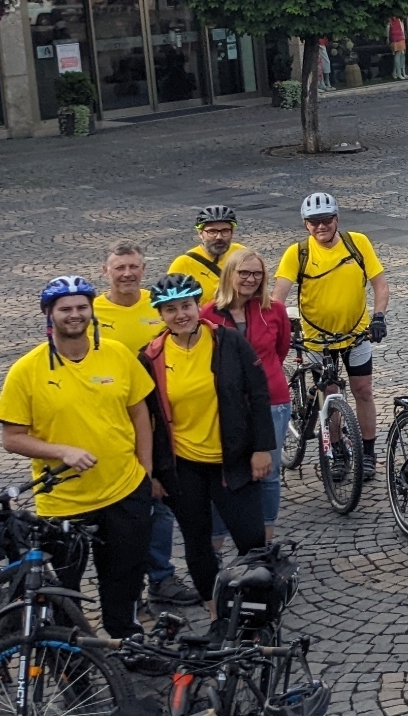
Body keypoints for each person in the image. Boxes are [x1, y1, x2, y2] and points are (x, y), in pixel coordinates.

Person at [0, 276, 157, 639]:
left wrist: (145, 469)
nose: (75, 314)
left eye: (82, 307)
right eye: (65, 309)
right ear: (49, 315)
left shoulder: (116, 353)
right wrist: (61, 451)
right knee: (63, 590)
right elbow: (12, 438)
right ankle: (73, 658)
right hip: (64, 502)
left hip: (124, 489)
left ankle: (125, 639)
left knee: (125, 577)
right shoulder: (26, 370)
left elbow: (139, 412)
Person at [140, 273, 273, 609]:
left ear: (199, 306)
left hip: (233, 459)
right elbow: (147, 420)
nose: (180, 314)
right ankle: (215, 610)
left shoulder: (228, 341)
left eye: (186, 305)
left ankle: (257, 609)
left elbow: (258, 393)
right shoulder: (151, 356)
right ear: (160, 315)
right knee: (197, 543)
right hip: (183, 466)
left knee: (251, 539)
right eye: (170, 309)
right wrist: (152, 473)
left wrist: (261, 448)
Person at [90, 242, 190, 605]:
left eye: (133, 266)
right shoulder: (91, 312)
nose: (127, 274)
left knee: (158, 499)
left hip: (158, 420)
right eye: (119, 268)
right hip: (110, 423)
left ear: (144, 269)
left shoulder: (158, 304)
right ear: (106, 272)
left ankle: (161, 578)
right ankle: (121, 581)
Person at [269, 192, 388, 481]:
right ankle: (336, 452)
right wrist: (273, 327)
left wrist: (379, 317)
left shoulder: (356, 243)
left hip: (356, 334)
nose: (320, 227)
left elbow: (380, 285)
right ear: (305, 225)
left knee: (363, 391)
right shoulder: (298, 253)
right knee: (330, 396)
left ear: (336, 219)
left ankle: (369, 454)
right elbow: (278, 295)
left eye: (325, 220)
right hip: (317, 339)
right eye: (313, 222)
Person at [203, 245, 293, 539]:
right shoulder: (208, 313)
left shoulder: (275, 310)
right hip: (225, 405)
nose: (251, 279)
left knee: (268, 473)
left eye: (257, 274)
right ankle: (218, 537)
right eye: (244, 272)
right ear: (230, 274)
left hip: (272, 401)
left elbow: (280, 351)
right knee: (224, 472)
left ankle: (266, 537)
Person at [170, 205, 238, 284]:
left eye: (225, 231)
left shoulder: (240, 252)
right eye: (212, 231)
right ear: (200, 234)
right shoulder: (184, 263)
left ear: (232, 232)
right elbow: (165, 293)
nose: (219, 237)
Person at [389, 15, 408, 79]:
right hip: (396, 38)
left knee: (401, 54)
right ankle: (399, 73)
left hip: (400, 38)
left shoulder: (399, 20)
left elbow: (402, 30)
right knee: (398, 54)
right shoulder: (393, 20)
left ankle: (396, 72)